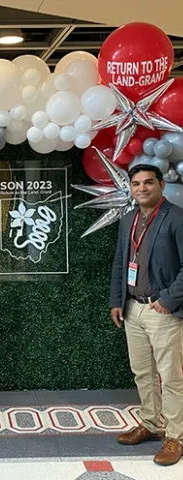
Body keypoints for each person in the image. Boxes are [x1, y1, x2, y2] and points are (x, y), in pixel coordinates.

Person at [110, 164, 183, 466]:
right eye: (136, 183)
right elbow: (119, 262)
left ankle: (176, 436)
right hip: (133, 308)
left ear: (161, 185)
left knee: (170, 376)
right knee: (142, 372)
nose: (142, 188)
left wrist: (168, 299)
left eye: (148, 183)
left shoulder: (177, 218)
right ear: (130, 187)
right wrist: (117, 301)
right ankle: (152, 424)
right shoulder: (129, 220)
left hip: (162, 309)